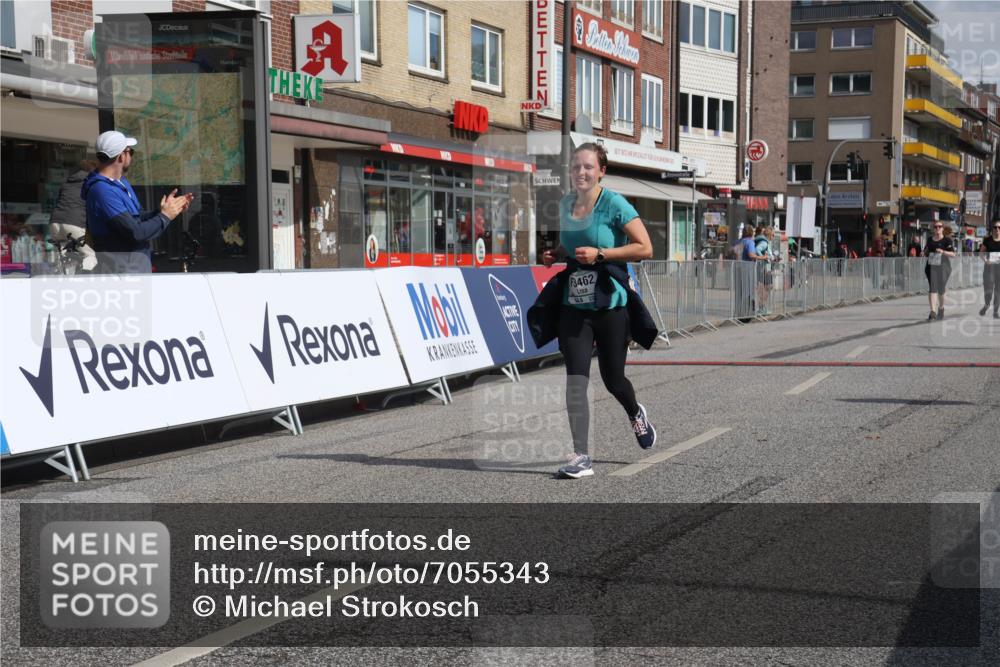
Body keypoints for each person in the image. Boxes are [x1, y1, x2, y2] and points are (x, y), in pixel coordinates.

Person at [528, 142, 658, 480]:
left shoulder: (614, 203)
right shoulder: (565, 204)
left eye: (588, 167)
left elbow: (645, 247)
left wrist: (601, 254)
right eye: (576, 167)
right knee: (576, 380)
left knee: (614, 380)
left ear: (601, 171)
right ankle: (581, 456)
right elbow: (573, 243)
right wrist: (557, 253)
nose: (581, 172)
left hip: (610, 304)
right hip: (574, 305)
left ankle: (635, 412)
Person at [82, 130, 192, 273]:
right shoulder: (102, 191)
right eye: (130, 152)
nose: (131, 156)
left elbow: (137, 218)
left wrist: (164, 210)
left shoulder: (120, 183)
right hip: (123, 274)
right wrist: (165, 216)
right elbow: (136, 232)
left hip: (135, 269)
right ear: (121, 157)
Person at [49, 158, 99, 271]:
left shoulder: (67, 183)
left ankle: (60, 274)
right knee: (90, 255)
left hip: (55, 223)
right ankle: (85, 277)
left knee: (64, 256)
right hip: (74, 224)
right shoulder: (91, 183)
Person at [923, 223, 956, 320]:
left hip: (943, 267)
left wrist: (943, 251)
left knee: (941, 289)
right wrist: (923, 252)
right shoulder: (930, 240)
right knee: (932, 288)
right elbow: (926, 250)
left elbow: (953, 254)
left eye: (939, 227)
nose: (937, 228)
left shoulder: (947, 240)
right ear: (933, 229)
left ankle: (941, 308)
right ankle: (932, 311)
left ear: (942, 229)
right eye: (935, 227)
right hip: (931, 267)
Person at [978, 221, 1000, 319]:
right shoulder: (987, 240)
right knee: (989, 289)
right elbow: (981, 253)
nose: (997, 229)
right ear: (992, 229)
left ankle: (995, 311)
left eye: (999, 227)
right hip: (989, 268)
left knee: (998, 290)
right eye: (995, 227)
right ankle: (987, 304)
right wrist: (985, 260)